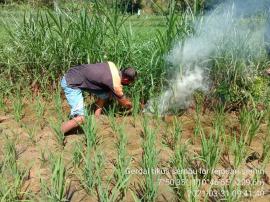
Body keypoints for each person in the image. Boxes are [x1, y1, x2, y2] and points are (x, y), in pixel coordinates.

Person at [60, 61, 137, 134]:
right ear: (126, 80)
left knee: (106, 92)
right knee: (81, 119)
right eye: (130, 82)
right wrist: (135, 106)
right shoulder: (116, 84)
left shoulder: (112, 65)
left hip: (75, 75)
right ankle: (58, 132)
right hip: (71, 83)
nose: (129, 84)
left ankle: (97, 115)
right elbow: (125, 103)